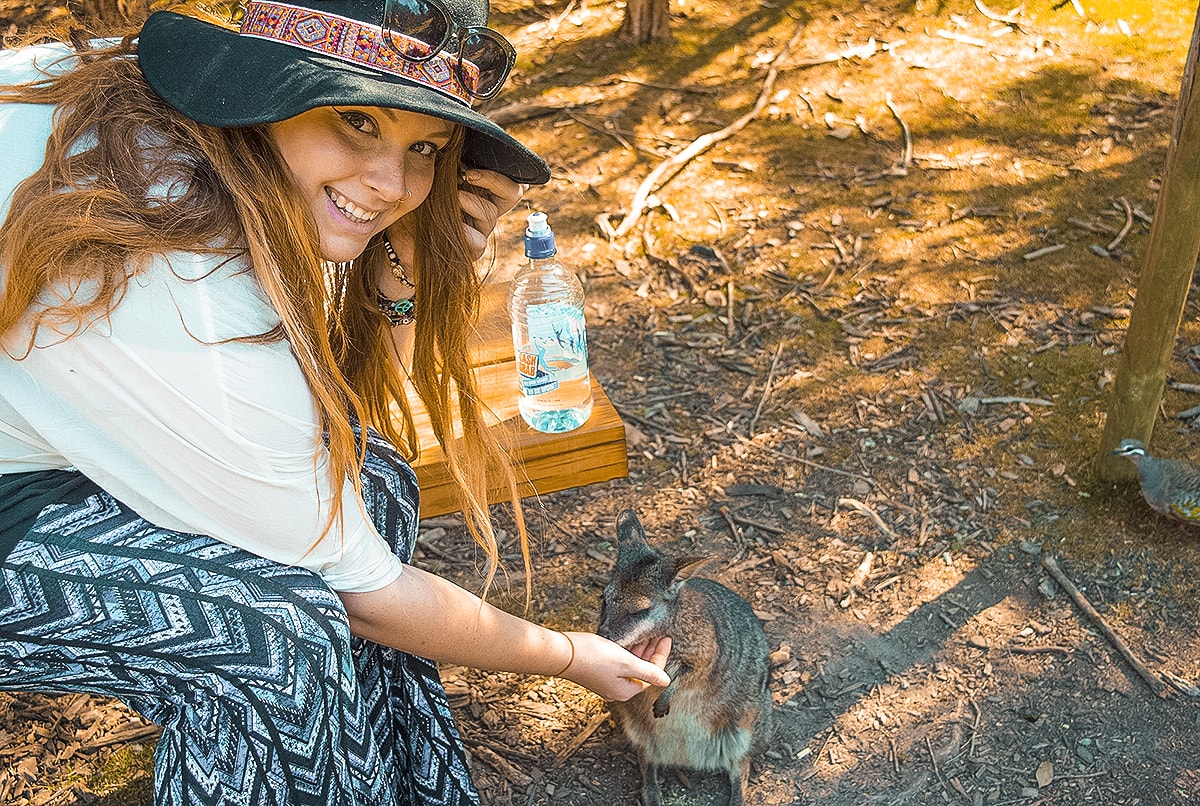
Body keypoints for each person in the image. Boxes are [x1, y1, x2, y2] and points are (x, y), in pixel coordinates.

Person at [0, 1, 671, 804]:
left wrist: (404, 275)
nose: (392, 186)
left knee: (376, 482)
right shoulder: (184, 280)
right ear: (265, 89)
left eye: (423, 146)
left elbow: (339, 428)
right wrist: (571, 656)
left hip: (37, 428)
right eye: (356, 120)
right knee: (268, 634)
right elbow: (370, 597)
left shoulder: (192, 115)